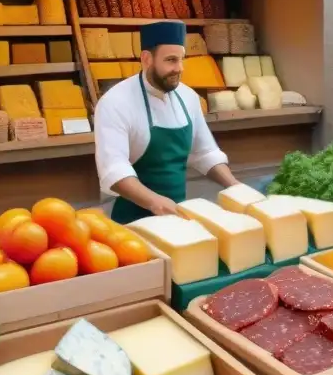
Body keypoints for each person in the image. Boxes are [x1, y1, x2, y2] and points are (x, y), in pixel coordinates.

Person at [94, 20, 240, 223]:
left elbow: (204, 153)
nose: (179, 68)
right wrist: (154, 202)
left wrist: (235, 187)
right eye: (171, 60)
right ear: (147, 59)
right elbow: (113, 170)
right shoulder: (115, 102)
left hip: (175, 217)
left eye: (182, 60)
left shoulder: (188, 97)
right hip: (132, 221)